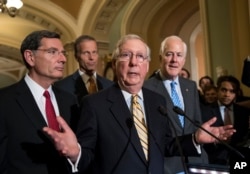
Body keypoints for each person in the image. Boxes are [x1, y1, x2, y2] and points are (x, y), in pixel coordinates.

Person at [42, 34, 235, 174]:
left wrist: (195, 138)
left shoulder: (156, 101)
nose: (134, 62)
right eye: (126, 55)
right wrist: (76, 153)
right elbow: (87, 157)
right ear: (116, 62)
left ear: (147, 65)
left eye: (140, 57)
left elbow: (167, 145)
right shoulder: (94, 104)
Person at [0, 30, 79, 174]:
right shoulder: (4, 101)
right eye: (53, 52)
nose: (63, 59)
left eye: (63, 53)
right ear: (30, 57)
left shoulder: (70, 100)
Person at [144, 35, 208, 174]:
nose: (174, 60)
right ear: (160, 57)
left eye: (179, 55)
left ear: (184, 60)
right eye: (169, 54)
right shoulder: (146, 88)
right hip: (166, 166)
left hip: (195, 162)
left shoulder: (190, 86)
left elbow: (196, 122)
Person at [201, 75, 250, 165]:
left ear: (236, 93)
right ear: (217, 90)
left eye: (232, 91)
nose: (227, 94)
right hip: (213, 161)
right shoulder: (204, 111)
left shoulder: (244, 112)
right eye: (224, 90)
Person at [54, 35, 113, 103]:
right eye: (86, 53)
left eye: (94, 52)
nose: (91, 57)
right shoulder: (62, 86)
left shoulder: (109, 86)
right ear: (77, 57)